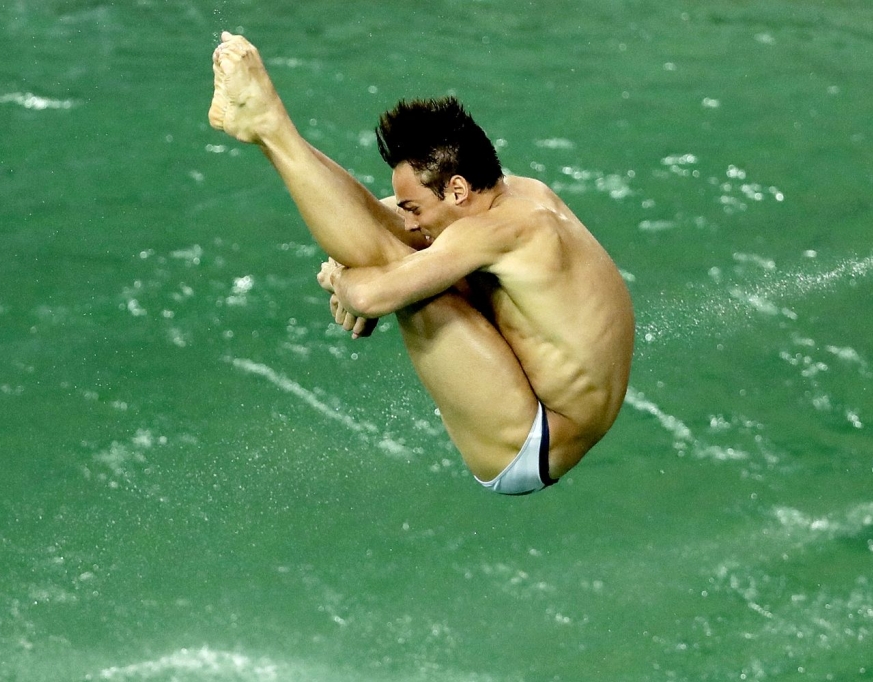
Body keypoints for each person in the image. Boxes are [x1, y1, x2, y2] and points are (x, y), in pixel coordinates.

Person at [208, 31, 634, 495]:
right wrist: (367, 258)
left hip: (531, 442)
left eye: (415, 206)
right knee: (397, 243)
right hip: (537, 394)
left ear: (455, 189)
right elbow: (383, 213)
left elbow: (371, 295)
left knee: (392, 260)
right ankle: (269, 133)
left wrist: (346, 278)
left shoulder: (497, 232)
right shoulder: (522, 193)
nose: (409, 219)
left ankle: (271, 128)